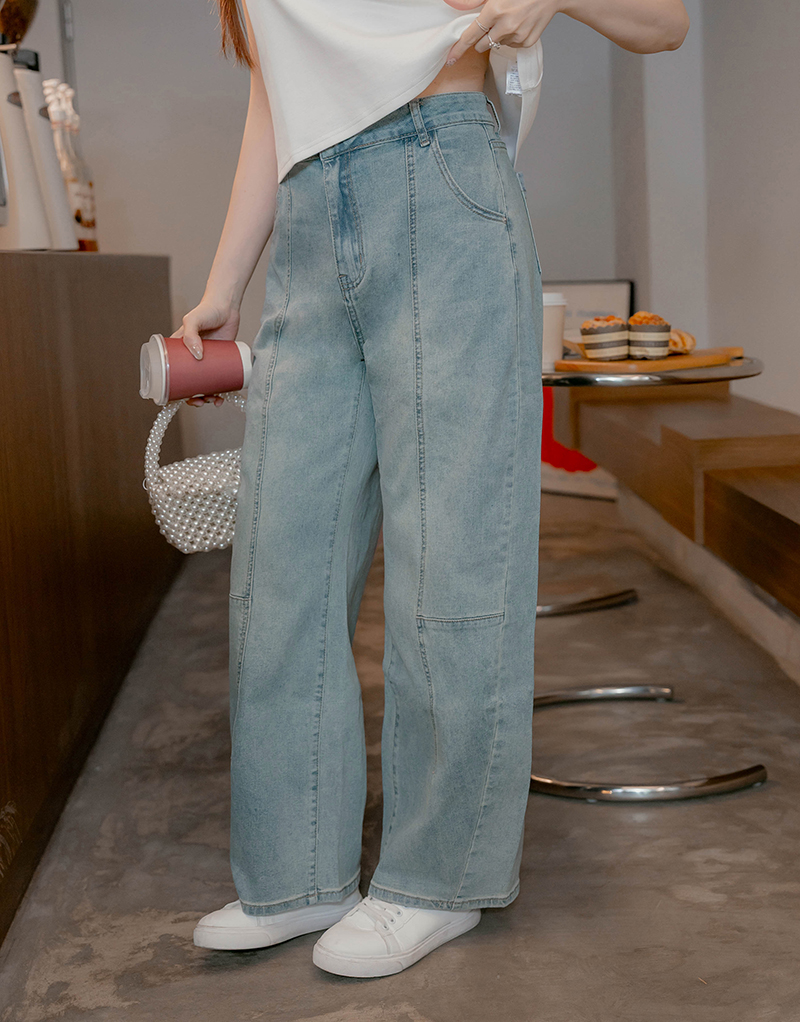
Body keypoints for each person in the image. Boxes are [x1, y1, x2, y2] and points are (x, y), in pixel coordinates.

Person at [178, 0, 689, 978]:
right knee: (281, 569)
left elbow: (663, 22)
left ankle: (435, 878)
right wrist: (223, 282)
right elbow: (275, 92)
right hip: (306, 218)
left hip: (440, 175)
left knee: (451, 561)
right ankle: (296, 871)